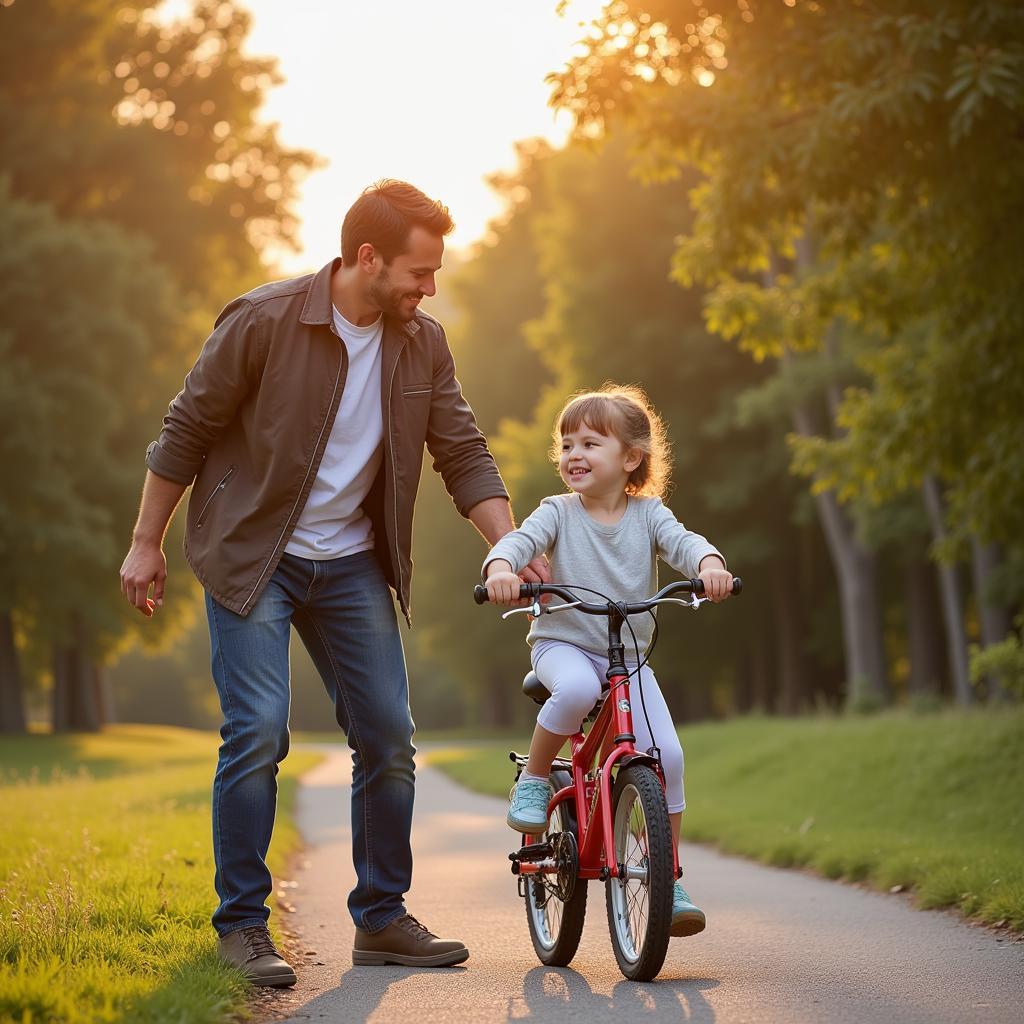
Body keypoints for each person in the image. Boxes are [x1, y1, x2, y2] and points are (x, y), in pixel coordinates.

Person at [119, 180, 548, 984]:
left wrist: (513, 544)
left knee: (388, 737)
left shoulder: (421, 343)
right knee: (258, 731)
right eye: (420, 272)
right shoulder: (266, 319)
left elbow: (461, 450)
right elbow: (186, 429)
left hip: (352, 563)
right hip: (253, 554)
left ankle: (381, 918)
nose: (430, 288)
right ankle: (243, 927)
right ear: (366, 257)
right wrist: (147, 542)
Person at [481, 383, 733, 938]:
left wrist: (710, 563)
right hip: (564, 645)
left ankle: (666, 873)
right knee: (571, 691)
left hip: (630, 659)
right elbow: (521, 542)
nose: (574, 454)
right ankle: (537, 776)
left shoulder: (649, 515)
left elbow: (685, 542)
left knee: (667, 755)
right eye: (567, 443)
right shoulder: (558, 512)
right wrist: (501, 568)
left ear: (631, 458)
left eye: (591, 443)